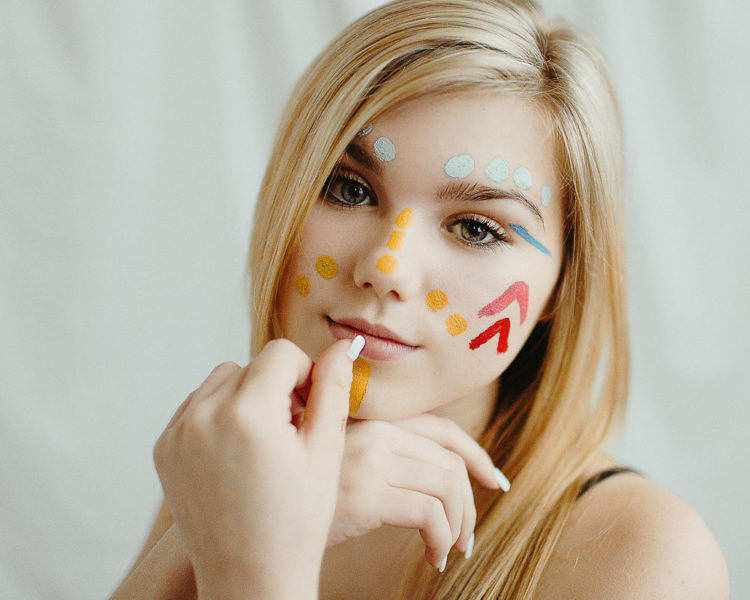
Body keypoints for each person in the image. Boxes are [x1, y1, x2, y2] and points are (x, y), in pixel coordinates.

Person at [111, 0, 729, 598]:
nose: (385, 266)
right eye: (349, 188)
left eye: (477, 228)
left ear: (562, 288)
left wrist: (253, 564)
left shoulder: (644, 556)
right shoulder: (234, 457)